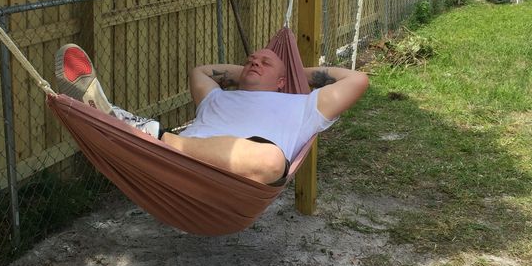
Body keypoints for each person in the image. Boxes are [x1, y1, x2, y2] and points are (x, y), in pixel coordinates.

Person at [55, 43, 368, 186]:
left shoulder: (303, 105)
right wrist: (256, 71)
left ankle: (144, 132)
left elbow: (357, 80)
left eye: (264, 63)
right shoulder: (217, 98)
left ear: (283, 81)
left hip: (233, 181)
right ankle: (111, 121)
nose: (254, 63)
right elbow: (201, 71)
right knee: (271, 161)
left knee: (272, 161)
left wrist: (295, 74)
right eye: (250, 60)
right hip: (176, 168)